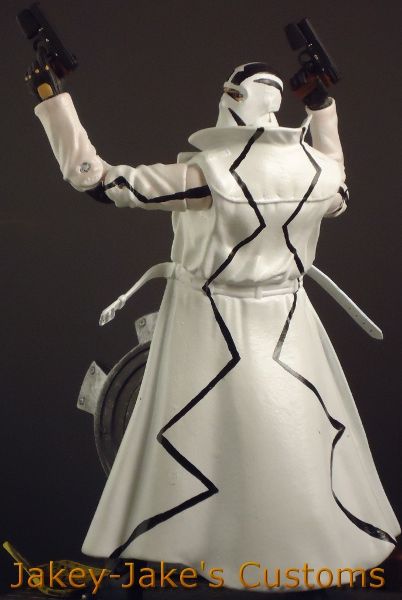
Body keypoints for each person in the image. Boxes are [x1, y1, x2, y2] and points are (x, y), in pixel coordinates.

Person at [26, 59, 399, 594]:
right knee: (296, 438)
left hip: (210, 324)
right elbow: (338, 176)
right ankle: (292, 550)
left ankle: (231, 553)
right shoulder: (316, 173)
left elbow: (97, 180)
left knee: (220, 443)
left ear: (231, 100)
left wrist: (52, 100)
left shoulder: (210, 176)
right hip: (288, 321)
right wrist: (322, 108)